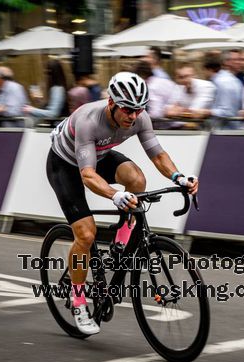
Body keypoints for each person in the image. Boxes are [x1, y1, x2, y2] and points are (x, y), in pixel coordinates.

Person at [46, 72, 198, 335]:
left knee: (137, 180)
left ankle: (120, 240)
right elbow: (87, 175)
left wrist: (179, 177)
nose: (133, 116)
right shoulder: (88, 120)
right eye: (127, 110)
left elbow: (158, 155)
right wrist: (114, 195)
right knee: (85, 233)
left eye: (138, 110)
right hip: (65, 165)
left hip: (100, 155)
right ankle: (79, 301)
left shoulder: (139, 118)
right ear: (111, 104)